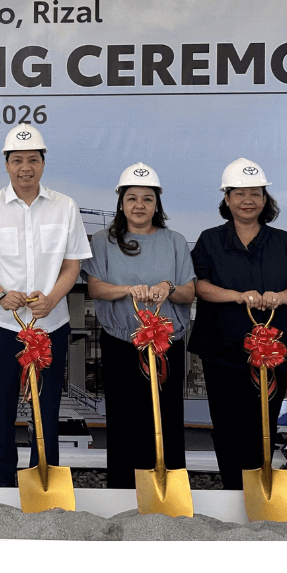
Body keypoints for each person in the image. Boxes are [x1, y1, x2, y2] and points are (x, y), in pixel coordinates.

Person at [0, 124, 91, 487]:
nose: (25, 167)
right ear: (6, 165)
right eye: (17, 160)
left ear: (43, 163)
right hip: (3, 326)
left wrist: (53, 299)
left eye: (32, 159)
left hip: (51, 325)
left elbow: (72, 264)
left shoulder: (65, 207)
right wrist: (2, 295)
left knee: (46, 412)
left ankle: (41, 484)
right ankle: (7, 484)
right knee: (0, 413)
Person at [187, 157, 287, 490]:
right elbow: (197, 285)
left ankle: (260, 491)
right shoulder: (210, 240)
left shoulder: (284, 241)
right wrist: (236, 295)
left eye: (255, 194)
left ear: (265, 200)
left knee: (264, 423)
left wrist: (281, 297)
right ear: (226, 200)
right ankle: (232, 491)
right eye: (239, 194)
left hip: (271, 353)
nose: (247, 201)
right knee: (226, 425)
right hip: (221, 350)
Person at [82, 162, 196, 489]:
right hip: (121, 343)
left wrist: (168, 287)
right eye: (132, 198)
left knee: (167, 420)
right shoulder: (103, 241)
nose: (139, 205)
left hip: (166, 346)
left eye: (147, 199)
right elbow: (95, 288)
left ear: (157, 204)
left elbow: (188, 293)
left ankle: (167, 492)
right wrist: (129, 290)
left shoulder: (174, 241)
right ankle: (122, 492)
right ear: (121, 203)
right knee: (122, 421)